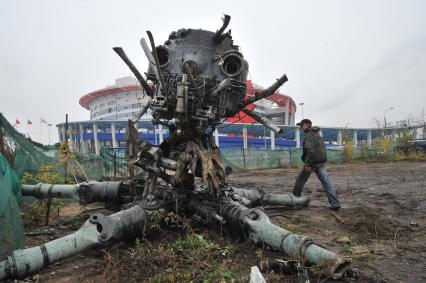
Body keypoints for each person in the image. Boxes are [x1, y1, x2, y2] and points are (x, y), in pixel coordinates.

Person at [292, 119, 341, 210]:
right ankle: (335, 204)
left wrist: (308, 164)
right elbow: (322, 148)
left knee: (300, 180)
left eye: (302, 125)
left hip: (313, 162)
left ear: (307, 125)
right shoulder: (317, 134)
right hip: (321, 162)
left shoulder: (309, 135)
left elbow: (309, 149)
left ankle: (294, 201)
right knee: (327, 182)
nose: (301, 127)